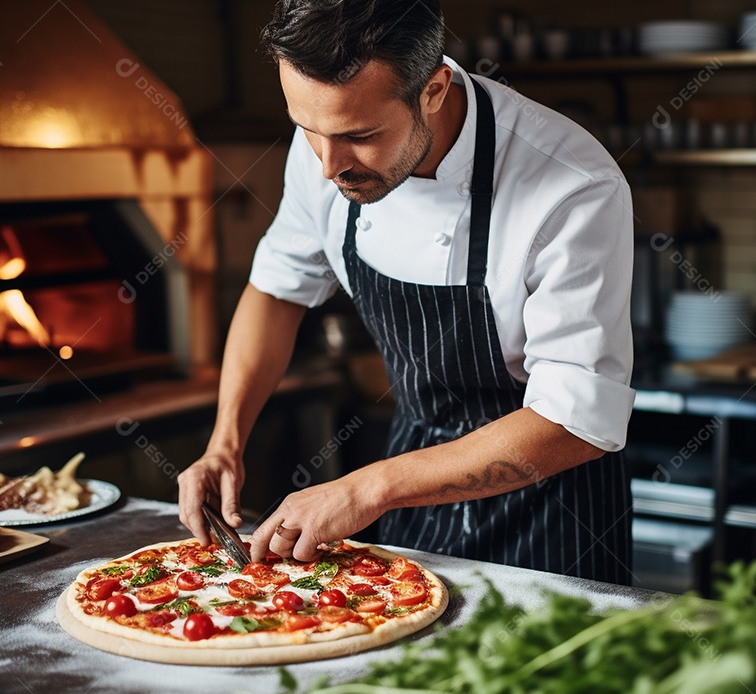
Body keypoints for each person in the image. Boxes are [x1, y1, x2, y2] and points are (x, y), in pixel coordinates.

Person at [178, 0, 635, 584]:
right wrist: (225, 442)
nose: (328, 166)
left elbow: (575, 420)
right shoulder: (327, 140)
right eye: (307, 131)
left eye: (360, 136)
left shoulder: (572, 186)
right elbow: (277, 290)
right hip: (411, 491)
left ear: (435, 89)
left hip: (554, 509)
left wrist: (369, 487)